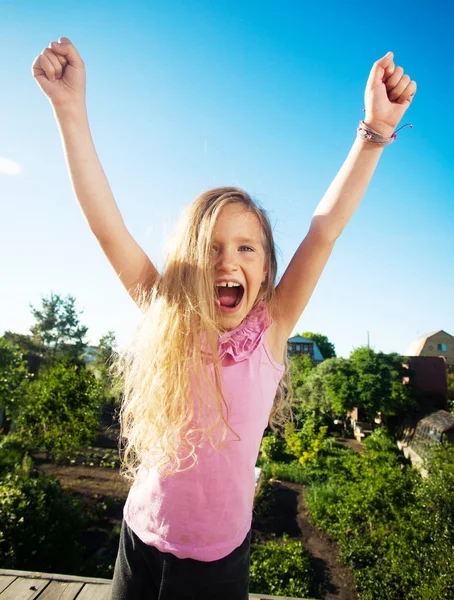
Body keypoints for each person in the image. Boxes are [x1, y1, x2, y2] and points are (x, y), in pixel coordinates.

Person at [32, 38, 416, 600]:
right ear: (188, 261)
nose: (227, 261)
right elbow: (106, 225)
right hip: (139, 542)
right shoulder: (166, 314)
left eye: (246, 249)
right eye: (210, 247)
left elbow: (325, 228)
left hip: (218, 563)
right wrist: (69, 109)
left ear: (265, 270)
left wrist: (375, 133)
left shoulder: (274, 329)